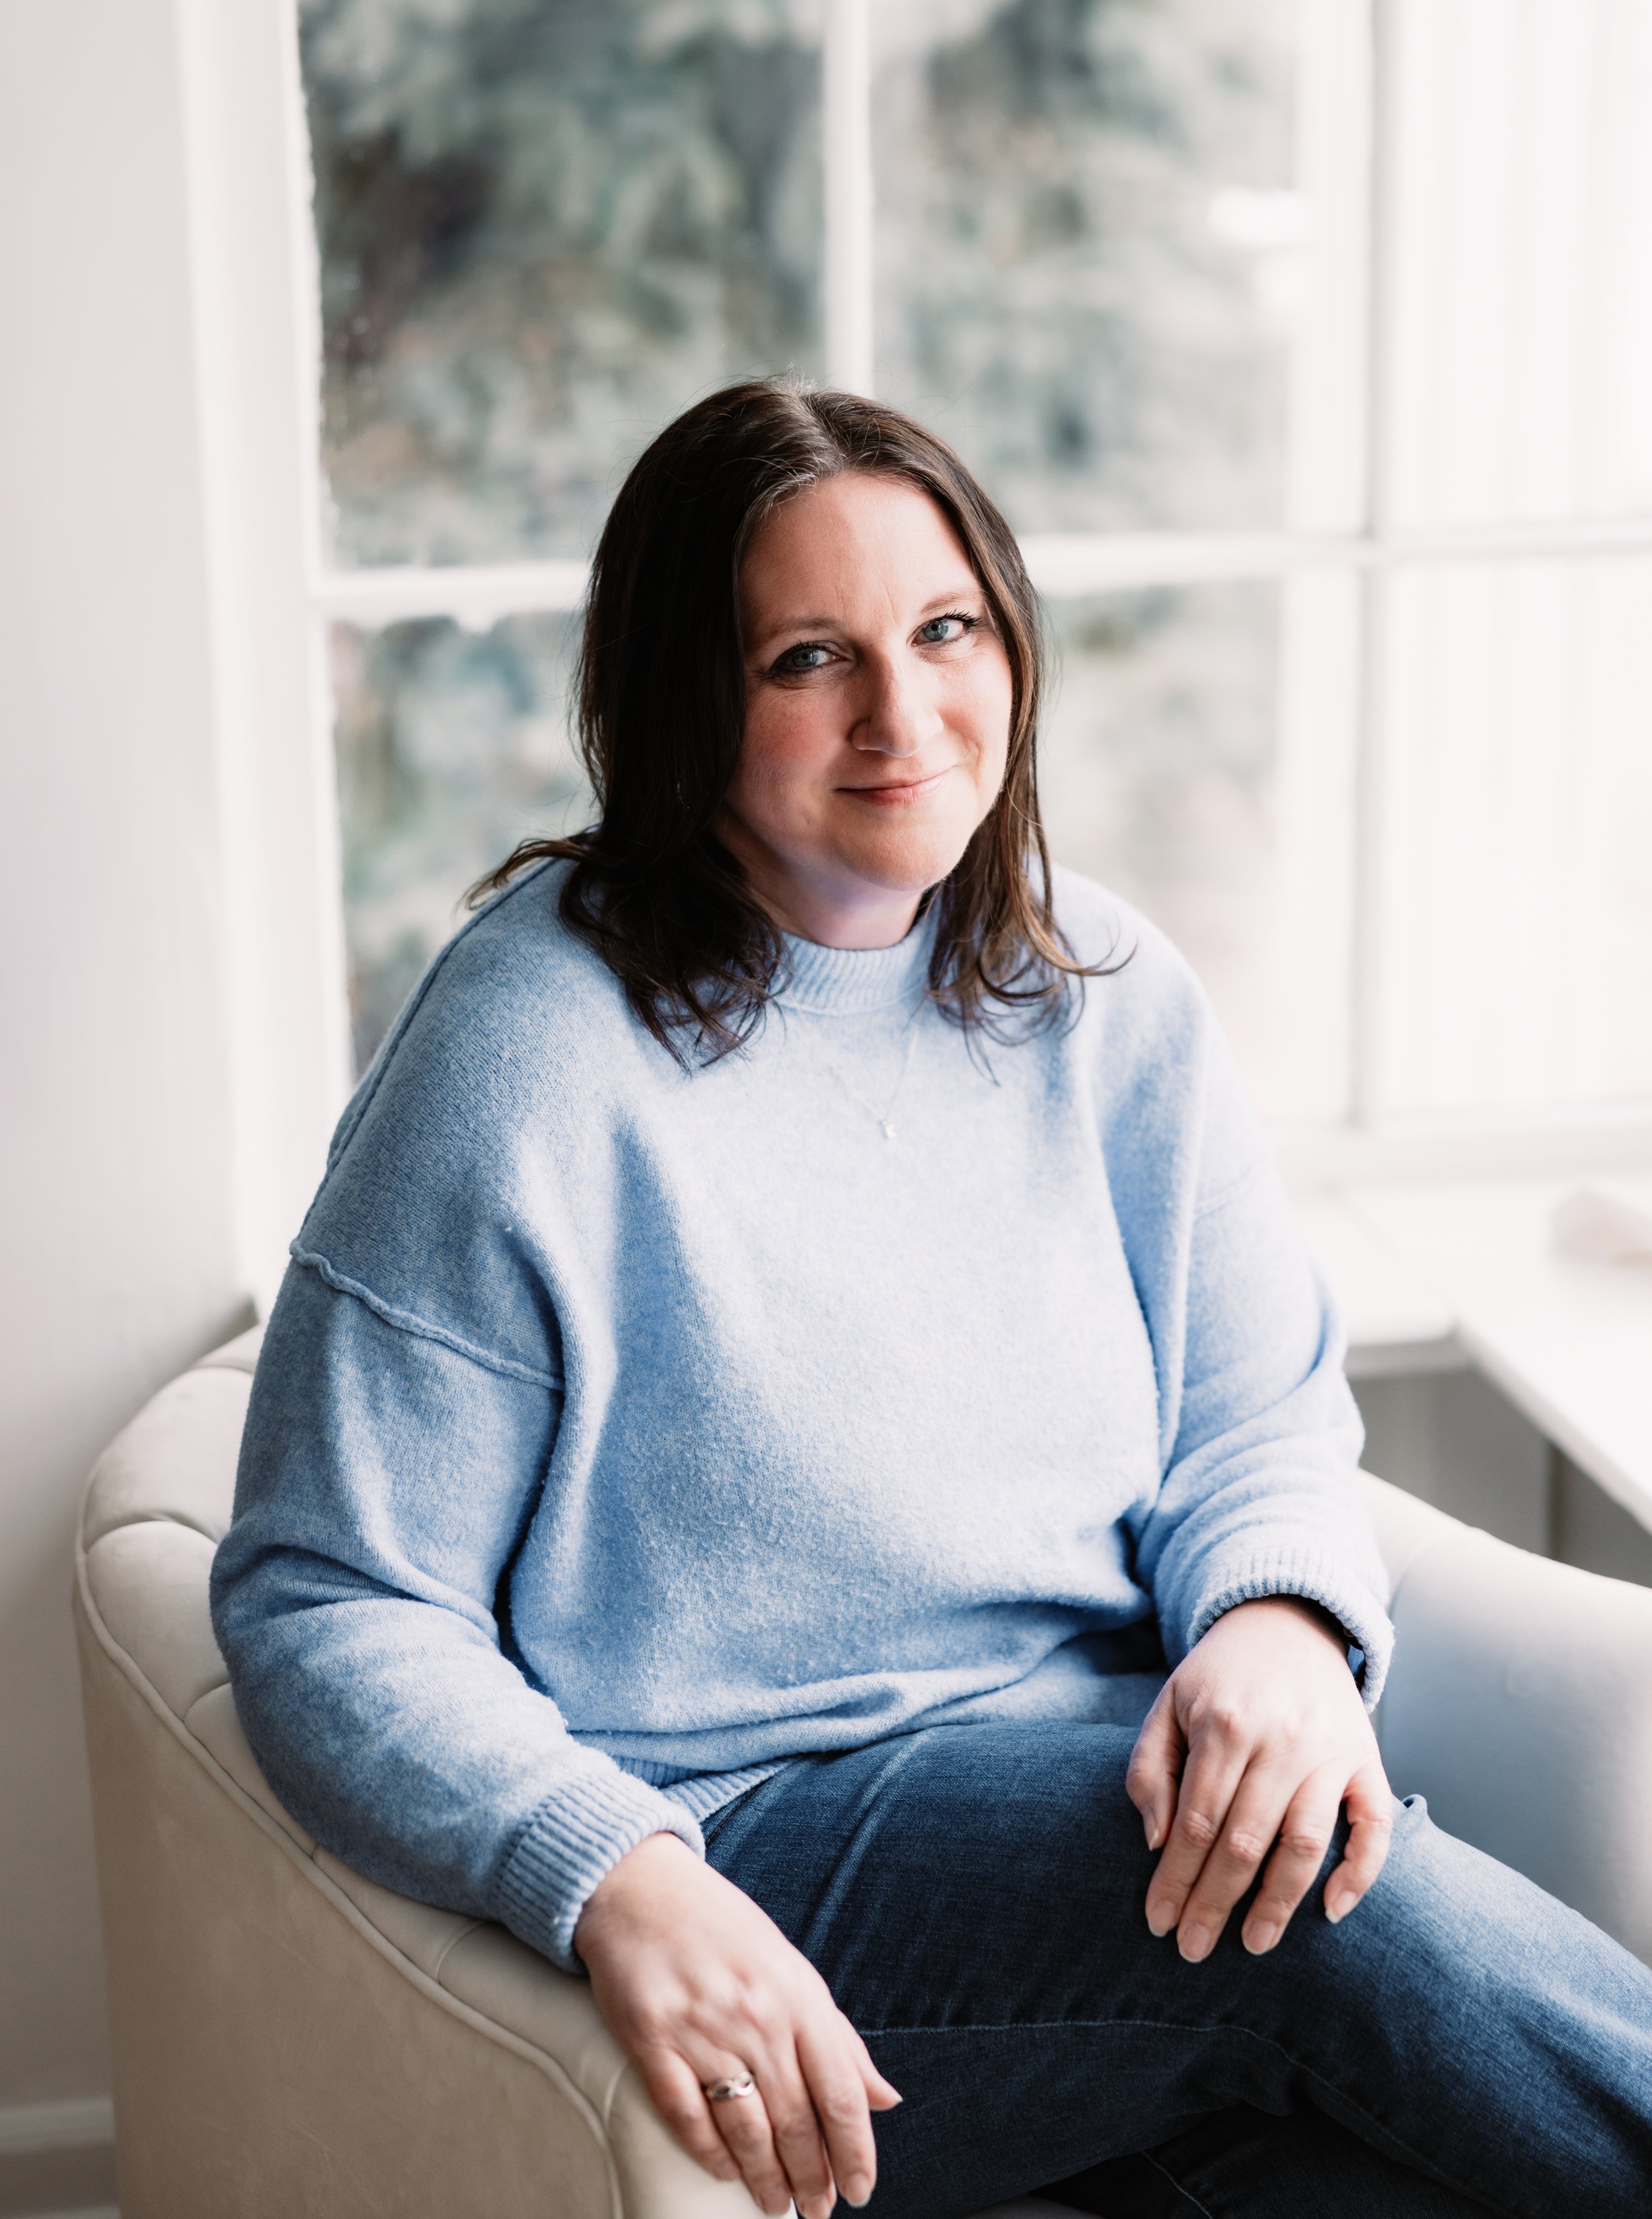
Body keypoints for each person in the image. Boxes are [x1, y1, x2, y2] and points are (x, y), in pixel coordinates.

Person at [212, 383, 1652, 2219]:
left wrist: (1281, 1621)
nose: (903, 716)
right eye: (810, 657)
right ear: (683, 701)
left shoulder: (1100, 981)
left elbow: (1254, 1407)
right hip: (777, 1842)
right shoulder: (526, 1051)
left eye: (944, 628)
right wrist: (621, 1876)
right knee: (1329, 1912)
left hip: (1104, 1779)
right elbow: (325, 1594)